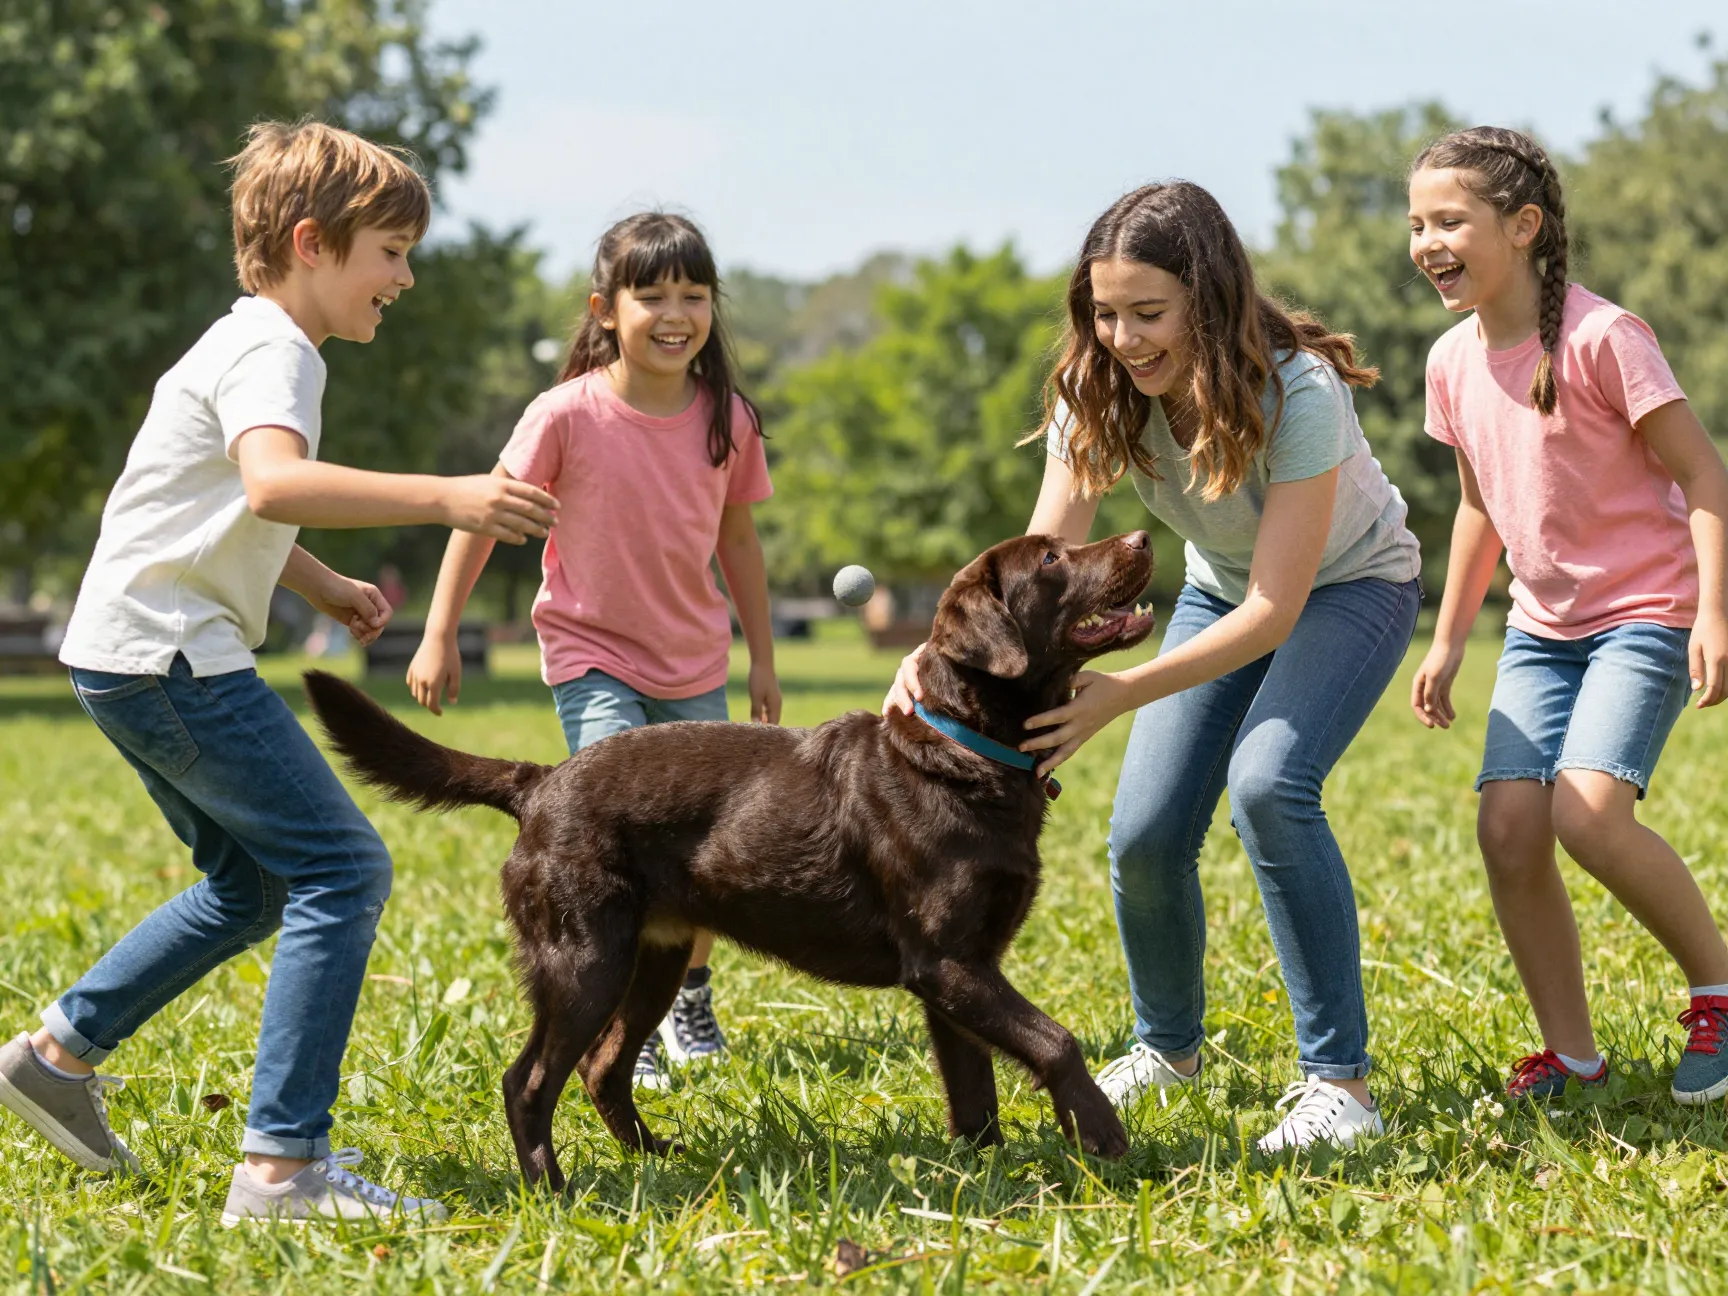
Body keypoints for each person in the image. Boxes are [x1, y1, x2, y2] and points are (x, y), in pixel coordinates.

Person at [0, 120, 559, 1223]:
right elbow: (270, 483)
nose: (404, 277)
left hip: (122, 653)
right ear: (313, 242)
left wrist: (321, 587)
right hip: (171, 660)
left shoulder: (241, 339)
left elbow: (226, 507)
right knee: (343, 872)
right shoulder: (277, 352)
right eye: (390, 251)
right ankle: (281, 1169)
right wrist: (448, 496)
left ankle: (54, 1058)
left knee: (251, 884)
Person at [887, 181, 1422, 1152]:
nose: (1125, 338)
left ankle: (1342, 1086)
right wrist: (933, 662)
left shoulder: (1298, 392)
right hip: (1223, 590)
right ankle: (1168, 1052)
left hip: (1350, 587)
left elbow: (1279, 607)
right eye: (1105, 313)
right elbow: (1043, 557)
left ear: (1206, 302)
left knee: (1269, 786)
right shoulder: (1093, 392)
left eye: (1148, 314)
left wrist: (1123, 690)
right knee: (1141, 830)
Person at [406, 211, 778, 1090]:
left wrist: (761, 657)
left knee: (706, 851)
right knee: (623, 837)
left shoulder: (727, 417)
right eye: (652, 295)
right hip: (591, 655)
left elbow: (741, 545)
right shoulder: (565, 413)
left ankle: (687, 998)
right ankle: (624, 1021)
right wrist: (438, 629)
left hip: (694, 660)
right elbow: (486, 515)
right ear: (605, 309)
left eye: (694, 294)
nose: (675, 312)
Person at [1407, 127, 1728, 1103]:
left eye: (1450, 220)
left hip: (1647, 609)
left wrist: (1713, 613)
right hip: (1542, 630)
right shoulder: (1451, 362)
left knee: (1587, 814)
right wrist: (1453, 637)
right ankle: (1573, 1052)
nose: (1427, 241)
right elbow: (1477, 508)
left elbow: (1702, 473)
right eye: (1416, 222)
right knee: (1509, 828)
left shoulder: (1602, 338)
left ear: (1524, 226)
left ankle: (1718, 991)